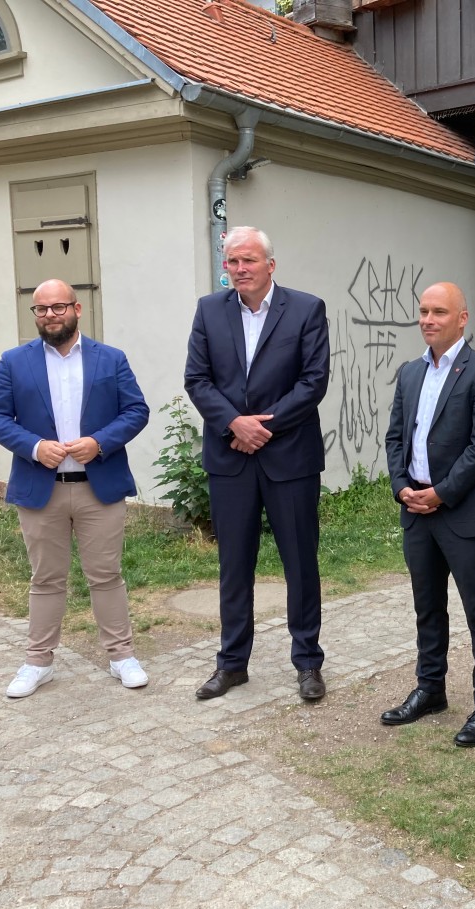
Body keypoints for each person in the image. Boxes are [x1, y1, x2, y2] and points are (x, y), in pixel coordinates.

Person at [0, 279, 150, 698]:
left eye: (57, 307)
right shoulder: (14, 362)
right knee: (45, 578)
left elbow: (136, 410)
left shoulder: (110, 359)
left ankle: (121, 656)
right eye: (41, 310)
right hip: (41, 488)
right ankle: (38, 661)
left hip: (99, 487)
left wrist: (101, 442)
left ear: (77, 309)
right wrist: (35, 447)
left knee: (106, 574)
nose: (49, 316)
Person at [184, 226, 330, 702]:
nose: (240, 269)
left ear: (271, 264)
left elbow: (313, 381)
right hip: (231, 460)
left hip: (290, 457)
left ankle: (308, 663)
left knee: (300, 565)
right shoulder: (209, 311)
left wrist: (262, 426)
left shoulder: (306, 309)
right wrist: (234, 425)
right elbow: (197, 379)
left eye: (248, 260)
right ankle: (231, 665)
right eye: (232, 262)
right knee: (234, 565)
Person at [382, 282, 475, 747]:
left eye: (439, 311)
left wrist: (441, 493)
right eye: (423, 311)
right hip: (416, 509)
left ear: (462, 318)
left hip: (462, 512)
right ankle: (430, 689)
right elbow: (395, 438)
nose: (429, 319)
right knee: (427, 606)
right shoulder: (410, 373)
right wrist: (402, 488)